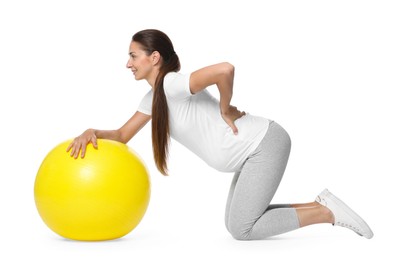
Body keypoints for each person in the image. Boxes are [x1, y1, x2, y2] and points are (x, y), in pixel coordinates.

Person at [67, 29, 373, 240]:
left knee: (243, 229)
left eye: (133, 56)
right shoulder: (153, 100)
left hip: (263, 144)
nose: (128, 63)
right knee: (236, 224)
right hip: (252, 153)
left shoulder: (172, 84)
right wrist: (89, 131)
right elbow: (121, 135)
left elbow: (224, 69)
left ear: (154, 58)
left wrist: (225, 108)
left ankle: (325, 212)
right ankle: (323, 204)